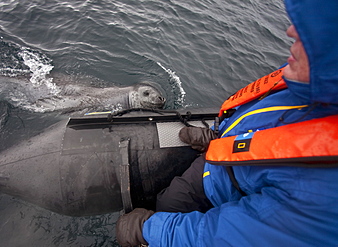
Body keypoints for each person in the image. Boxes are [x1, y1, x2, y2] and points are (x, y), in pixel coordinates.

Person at [116, 0, 338, 246]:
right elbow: (265, 126)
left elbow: (221, 236)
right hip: (220, 160)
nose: (291, 31)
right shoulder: (308, 83)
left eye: (312, 34)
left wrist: (148, 232)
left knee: (166, 207)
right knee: (168, 201)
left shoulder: (322, 194)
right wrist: (216, 136)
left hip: (228, 193)